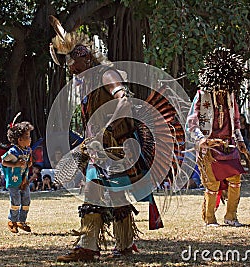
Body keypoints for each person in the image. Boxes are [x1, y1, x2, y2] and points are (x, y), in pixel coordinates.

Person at [49, 15, 170, 262]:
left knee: (94, 191)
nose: (70, 68)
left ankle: (88, 247)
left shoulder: (106, 75)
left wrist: (106, 128)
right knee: (115, 194)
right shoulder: (85, 83)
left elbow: (124, 100)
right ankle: (124, 243)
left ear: (85, 59)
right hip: (100, 148)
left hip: (116, 146)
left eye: (72, 63)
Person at [187, 48, 248, 227]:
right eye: (219, 88)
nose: (222, 92)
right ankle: (210, 218)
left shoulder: (231, 96)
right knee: (212, 184)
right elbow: (191, 122)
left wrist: (241, 142)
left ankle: (231, 216)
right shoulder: (201, 96)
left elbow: (235, 122)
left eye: (225, 88)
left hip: (228, 146)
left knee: (235, 180)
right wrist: (201, 139)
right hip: (209, 147)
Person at [1, 116, 33, 233]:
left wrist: (29, 163)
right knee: (16, 201)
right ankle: (12, 221)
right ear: (20, 139)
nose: (30, 139)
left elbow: (27, 164)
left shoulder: (27, 150)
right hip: (14, 180)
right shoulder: (13, 151)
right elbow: (4, 161)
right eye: (28, 137)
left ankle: (21, 221)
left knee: (26, 200)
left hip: (24, 180)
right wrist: (16, 164)